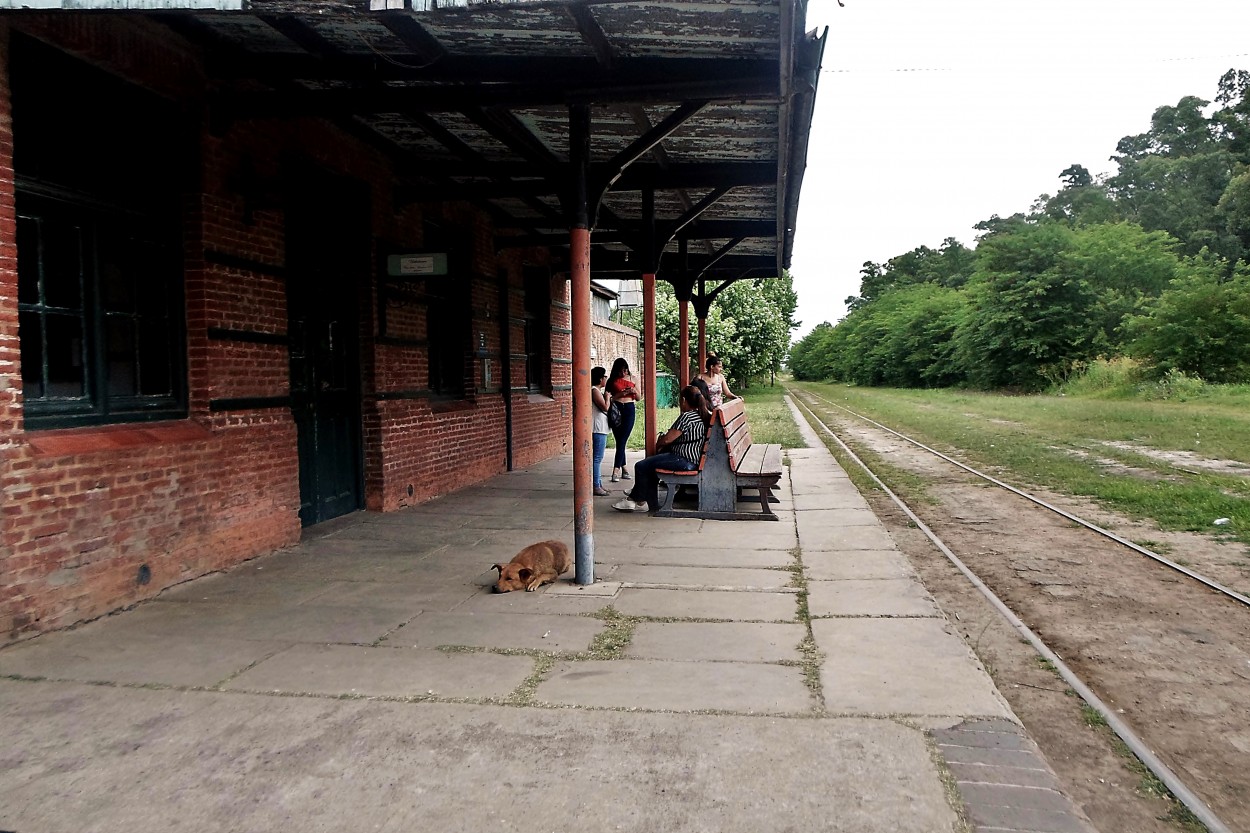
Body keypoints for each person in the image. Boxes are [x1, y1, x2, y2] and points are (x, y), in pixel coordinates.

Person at [613, 384, 711, 514]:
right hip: (694, 458)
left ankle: (637, 498)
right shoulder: (702, 415)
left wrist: (659, 444)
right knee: (651, 468)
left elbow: (667, 440)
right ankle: (646, 503)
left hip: (684, 460)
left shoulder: (687, 417)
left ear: (683, 400)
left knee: (641, 466)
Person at [606, 357, 641, 482]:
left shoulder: (634, 379)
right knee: (619, 440)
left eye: (625, 370)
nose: (623, 373)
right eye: (621, 371)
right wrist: (620, 394)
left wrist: (633, 390)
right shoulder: (612, 380)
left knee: (623, 439)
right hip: (616, 408)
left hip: (629, 408)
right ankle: (625, 469)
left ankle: (616, 470)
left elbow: (639, 397)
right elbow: (609, 397)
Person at [590, 366, 611, 496]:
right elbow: (605, 407)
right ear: (600, 378)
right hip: (598, 427)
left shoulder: (597, 390)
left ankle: (598, 483)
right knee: (597, 458)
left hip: (600, 426)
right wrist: (607, 397)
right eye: (604, 377)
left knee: (598, 458)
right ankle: (596, 485)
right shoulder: (594, 390)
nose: (605, 379)